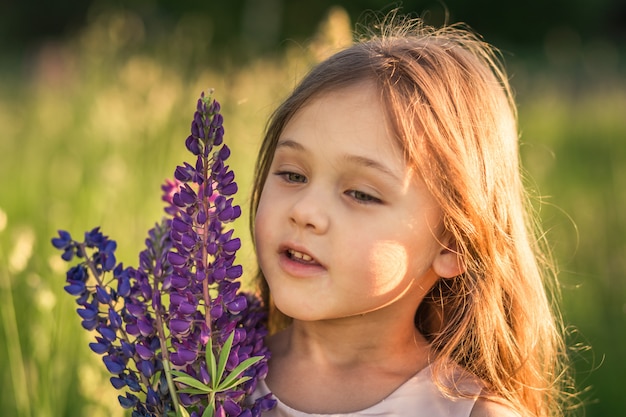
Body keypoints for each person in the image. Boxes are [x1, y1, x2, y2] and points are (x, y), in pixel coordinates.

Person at [247, 12, 575, 417]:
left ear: (452, 245)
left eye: (361, 194)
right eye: (292, 174)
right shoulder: (199, 370)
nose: (305, 211)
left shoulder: (470, 411)